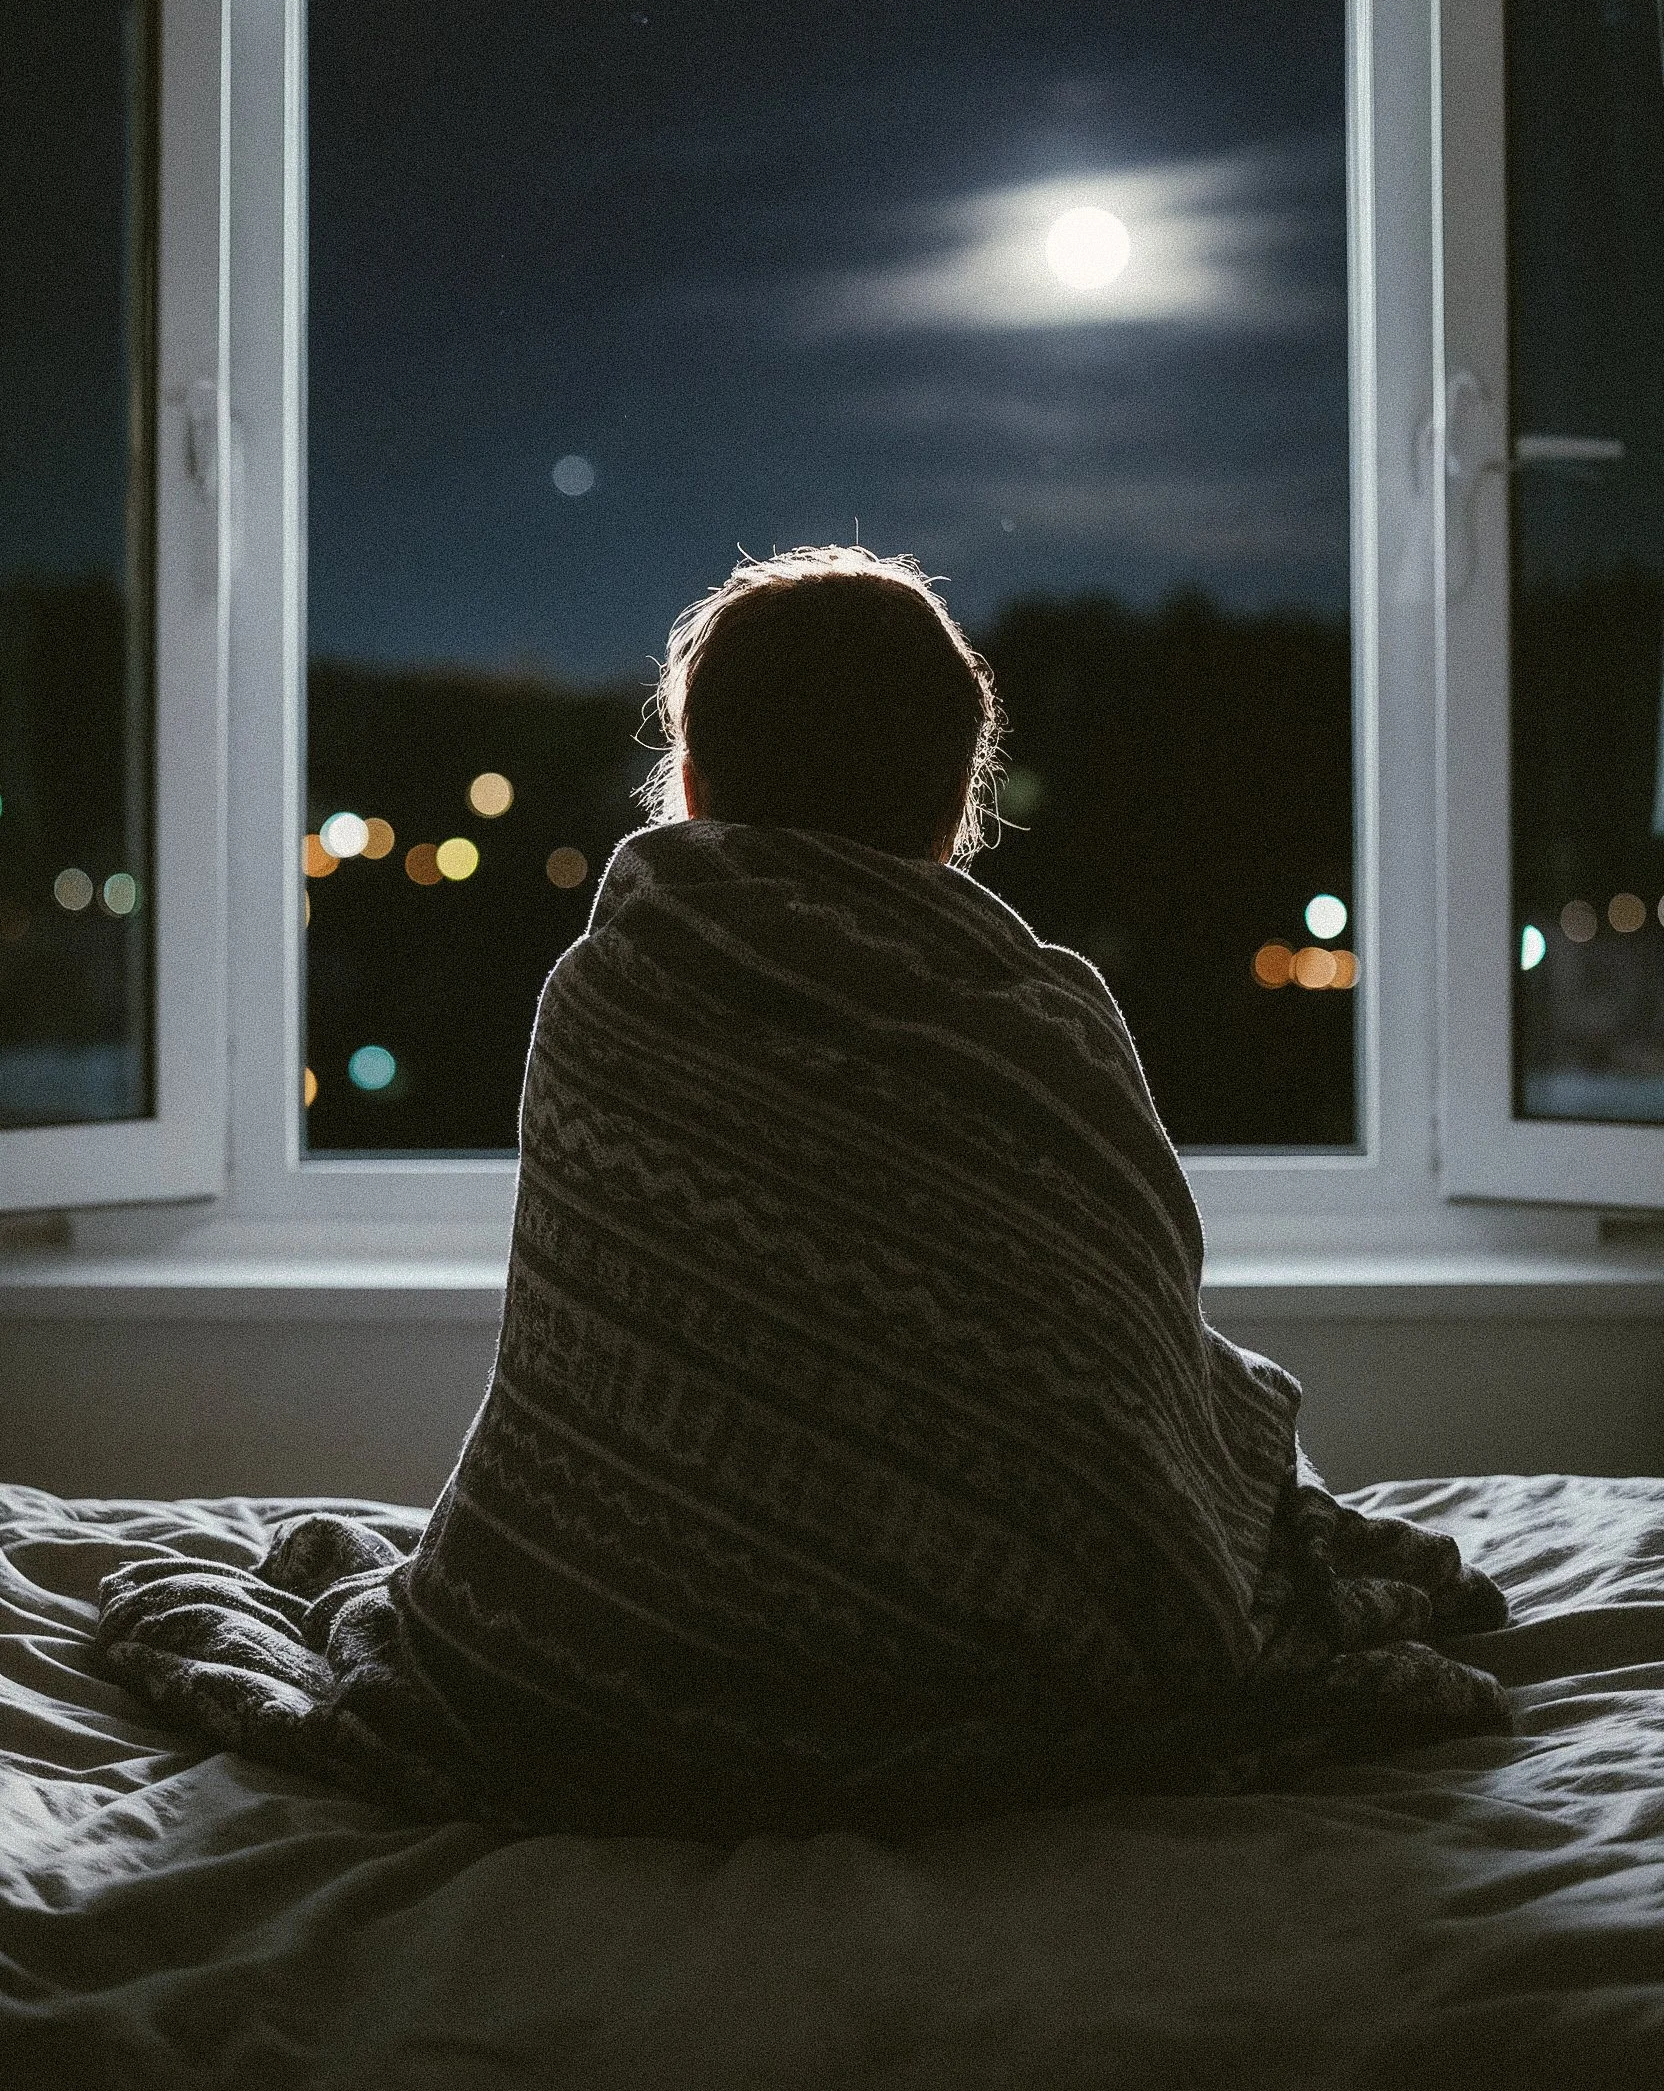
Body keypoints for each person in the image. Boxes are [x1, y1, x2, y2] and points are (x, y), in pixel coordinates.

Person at [99, 545, 1511, 1837]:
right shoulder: (1051, 1027)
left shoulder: (614, 991)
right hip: (1048, 1664)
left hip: (603, 1681)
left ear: (695, 778)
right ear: (954, 801)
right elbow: (1128, 1372)